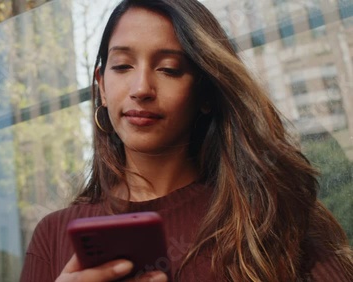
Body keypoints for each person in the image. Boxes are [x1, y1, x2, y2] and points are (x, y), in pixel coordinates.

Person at [19, 0, 353, 281]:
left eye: (168, 69)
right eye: (122, 66)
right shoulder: (52, 237)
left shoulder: (267, 218)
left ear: (205, 92)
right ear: (101, 87)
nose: (141, 89)